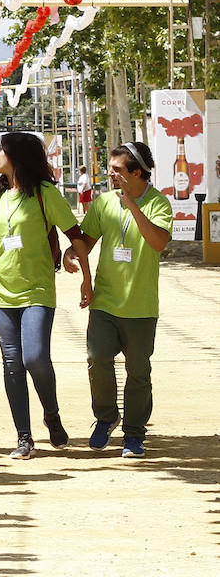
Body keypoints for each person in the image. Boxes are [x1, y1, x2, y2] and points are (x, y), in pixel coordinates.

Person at [0, 132, 93, 460]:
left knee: (34, 357)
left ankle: (51, 413)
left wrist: (85, 276)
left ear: (18, 156)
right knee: (12, 362)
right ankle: (24, 437)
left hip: (37, 287)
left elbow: (75, 234)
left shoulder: (45, 193)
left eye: (1, 150)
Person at [63, 143, 172, 458]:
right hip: (105, 301)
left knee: (138, 371)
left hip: (140, 306)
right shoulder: (103, 203)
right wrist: (73, 252)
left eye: (117, 170)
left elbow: (158, 242)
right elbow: (87, 240)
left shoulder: (158, 203)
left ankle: (134, 434)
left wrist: (132, 205)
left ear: (136, 173)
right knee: (97, 359)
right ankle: (106, 417)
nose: (110, 174)